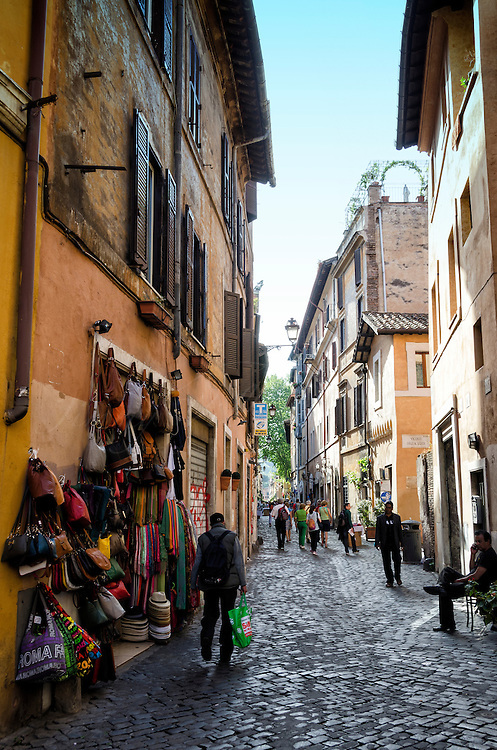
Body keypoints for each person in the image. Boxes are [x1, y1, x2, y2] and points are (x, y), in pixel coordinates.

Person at [191, 512, 247, 663]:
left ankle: (207, 638)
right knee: (227, 615)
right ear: (223, 522)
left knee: (210, 613)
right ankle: (225, 653)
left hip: (209, 584)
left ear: (210, 524)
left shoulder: (203, 538)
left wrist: (192, 583)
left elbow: (197, 563)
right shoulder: (232, 537)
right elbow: (239, 562)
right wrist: (243, 583)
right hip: (229, 584)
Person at [423, 530, 497, 633]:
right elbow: (472, 569)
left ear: (487, 541)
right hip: (470, 582)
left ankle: (447, 624)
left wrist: (460, 580)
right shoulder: (482, 554)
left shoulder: (489, 555)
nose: (477, 544)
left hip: (478, 587)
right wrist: (472, 555)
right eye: (476, 541)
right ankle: (442, 586)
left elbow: (475, 576)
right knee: (446, 571)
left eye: (479, 541)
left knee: (445, 592)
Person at [375, 500, 403, 587]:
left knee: (397, 561)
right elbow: (378, 531)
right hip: (385, 543)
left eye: (389, 508)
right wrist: (377, 542)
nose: (387, 509)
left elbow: (399, 531)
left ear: (392, 508)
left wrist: (402, 543)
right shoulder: (380, 518)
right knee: (386, 563)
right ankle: (389, 580)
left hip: (394, 542)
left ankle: (398, 577)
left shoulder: (396, 518)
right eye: (386, 507)